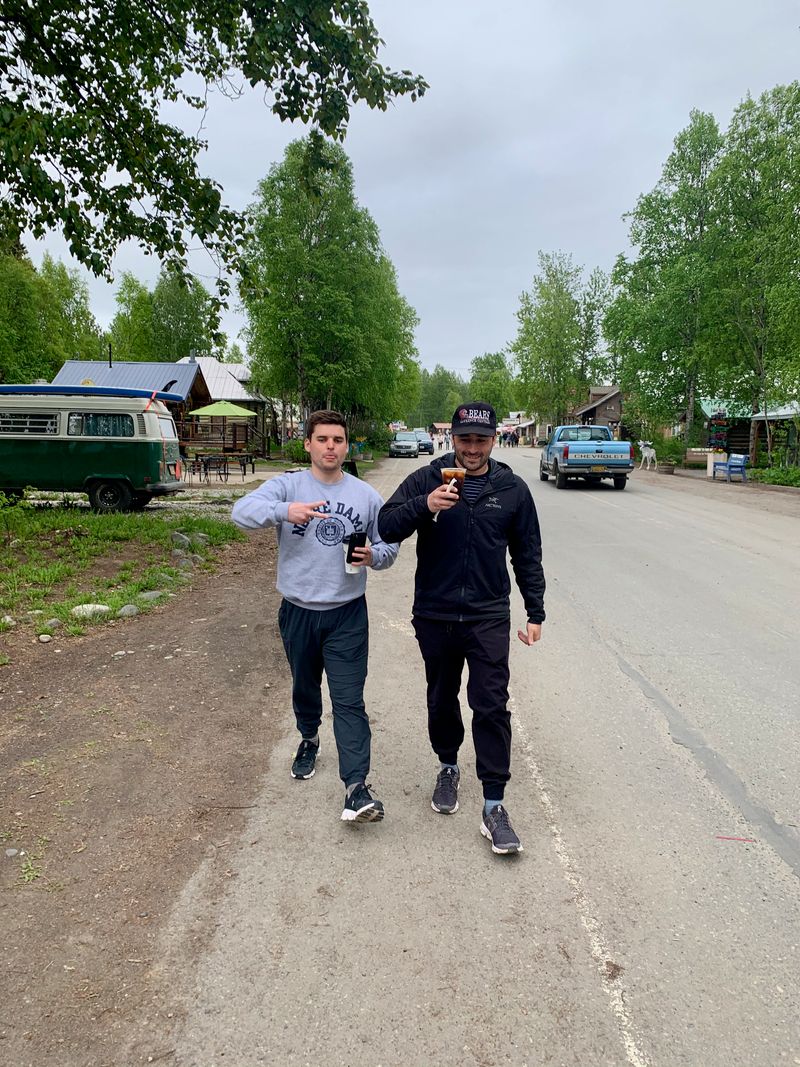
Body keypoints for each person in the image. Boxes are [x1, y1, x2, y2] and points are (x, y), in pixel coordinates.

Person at [378, 401, 545, 855]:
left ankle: (494, 805)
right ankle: (448, 766)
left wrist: (535, 612)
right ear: (452, 438)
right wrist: (424, 505)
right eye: (465, 439)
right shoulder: (426, 479)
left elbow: (527, 553)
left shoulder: (511, 489)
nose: (473, 448)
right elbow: (386, 525)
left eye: (482, 439)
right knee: (441, 696)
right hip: (434, 613)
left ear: (493, 440)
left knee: (491, 704)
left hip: (488, 615)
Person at [232, 410, 398, 824]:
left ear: (346, 446)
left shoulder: (365, 496)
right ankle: (309, 737)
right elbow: (240, 512)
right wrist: (285, 511)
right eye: (322, 439)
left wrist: (373, 556)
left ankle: (356, 788)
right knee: (305, 686)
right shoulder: (287, 485)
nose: (330, 447)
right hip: (298, 611)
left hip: (346, 615)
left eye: (338, 440)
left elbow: (388, 546)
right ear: (307, 444)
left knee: (348, 700)